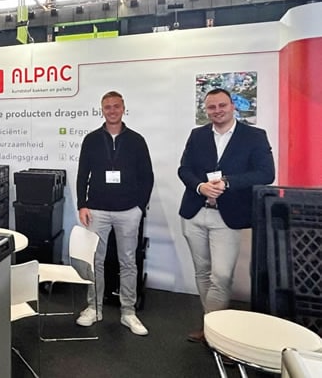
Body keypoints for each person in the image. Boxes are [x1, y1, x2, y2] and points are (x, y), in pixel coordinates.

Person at [178, 88, 275, 343]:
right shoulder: (198, 135)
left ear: (233, 106)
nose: (217, 111)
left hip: (228, 216)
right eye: (211, 107)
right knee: (202, 271)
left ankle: (215, 332)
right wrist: (200, 186)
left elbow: (266, 173)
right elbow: (184, 169)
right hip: (195, 212)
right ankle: (211, 326)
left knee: (221, 276)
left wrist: (228, 182)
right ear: (206, 110)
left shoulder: (254, 136)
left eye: (222, 105)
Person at [75, 90, 154, 336]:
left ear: (123, 108)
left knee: (128, 262)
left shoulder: (136, 140)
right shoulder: (91, 140)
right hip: (96, 210)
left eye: (116, 106)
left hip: (128, 211)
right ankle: (94, 308)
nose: (112, 110)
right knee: (94, 262)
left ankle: (128, 312)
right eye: (107, 107)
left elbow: (147, 176)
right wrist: (82, 204)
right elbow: (82, 174)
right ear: (102, 110)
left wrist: (140, 207)